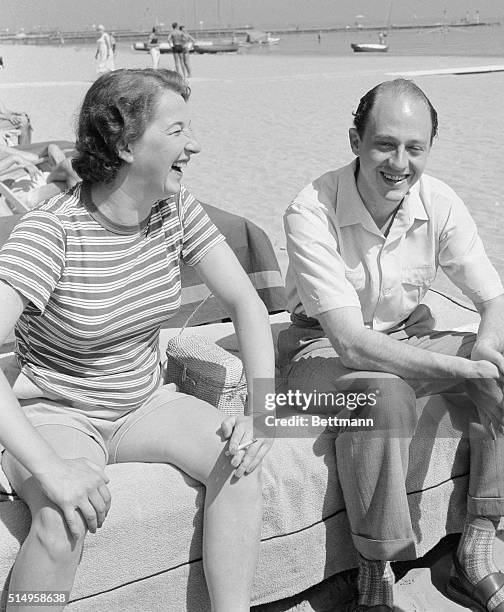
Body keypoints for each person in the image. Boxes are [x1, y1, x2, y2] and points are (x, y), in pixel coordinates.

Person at [0, 68, 275, 612]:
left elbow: (248, 304)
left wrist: (260, 410)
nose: (194, 144)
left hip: (144, 402)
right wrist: (52, 469)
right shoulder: (51, 232)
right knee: (64, 516)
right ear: (126, 144)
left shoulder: (174, 210)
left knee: (240, 460)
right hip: (58, 411)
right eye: (177, 131)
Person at [279, 78, 504, 611]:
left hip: (409, 331)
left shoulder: (438, 200)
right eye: (384, 144)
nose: (399, 162)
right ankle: (376, 572)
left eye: (414, 148)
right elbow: (353, 346)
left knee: (499, 368)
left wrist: (486, 348)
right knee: (381, 398)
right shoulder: (311, 208)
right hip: (322, 350)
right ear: (355, 140)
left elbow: (493, 296)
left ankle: (477, 545)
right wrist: (465, 372)